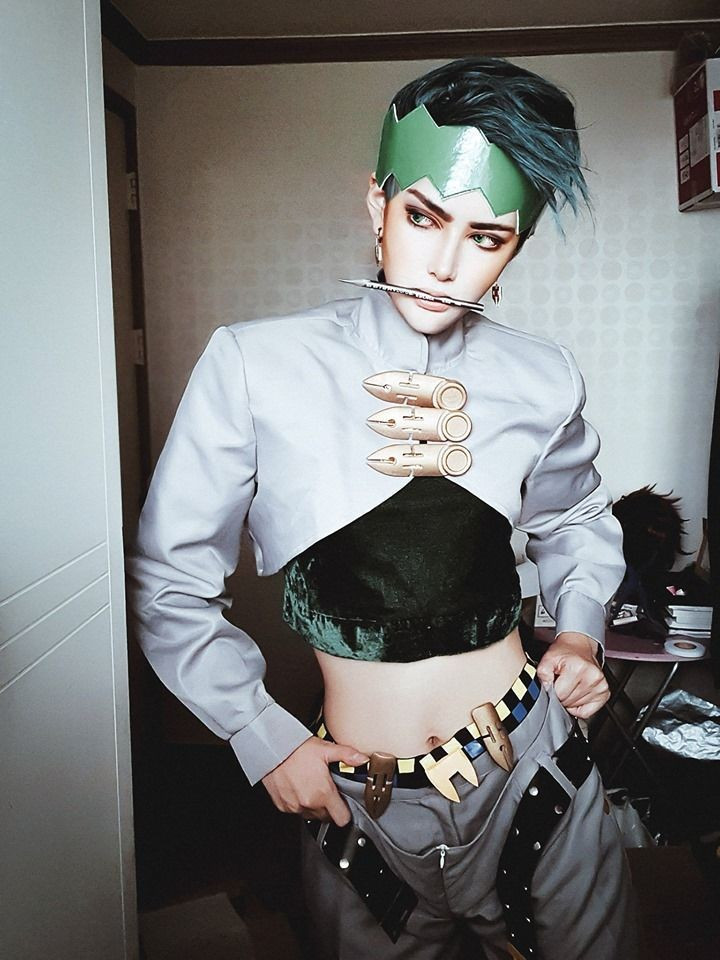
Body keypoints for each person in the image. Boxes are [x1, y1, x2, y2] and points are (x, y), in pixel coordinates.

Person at [128, 57, 638, 959]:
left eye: (487, 237)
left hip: (537, 772)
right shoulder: (254, 365)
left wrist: (579, 633)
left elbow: (573, 521)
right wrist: (261, 734)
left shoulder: (542, 375)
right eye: (423, 217)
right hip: (358, 802)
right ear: (378, 204)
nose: (444, 265)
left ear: (516, 248)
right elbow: (168, 583)